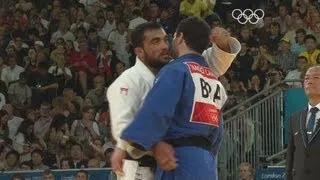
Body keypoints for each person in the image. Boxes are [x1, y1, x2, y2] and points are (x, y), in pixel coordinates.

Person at [112, 18, 235, 179]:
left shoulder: (178, 69)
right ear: (139, 50)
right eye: (155, 42)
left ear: (180, 38)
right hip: (203, 161)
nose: (165, 45)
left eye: (166, 39)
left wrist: (126, 146)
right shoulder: (205, 74)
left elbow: (155, 112)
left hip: (178, 159)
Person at [286, 65, 320, 180]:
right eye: (306, 78)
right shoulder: (295, 118)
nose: (309, 82)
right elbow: (291, 154)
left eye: (316, 77)